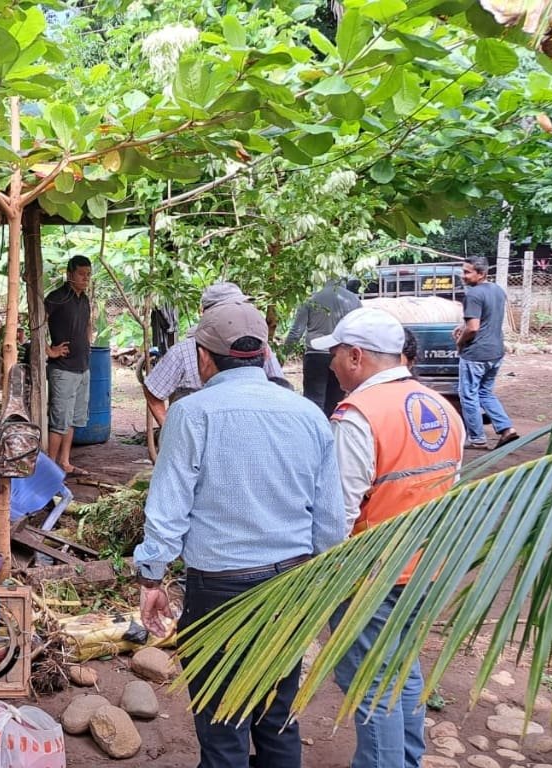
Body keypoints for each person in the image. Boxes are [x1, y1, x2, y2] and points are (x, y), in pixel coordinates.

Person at [135, 301, 345, 768]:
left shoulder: (192, 414)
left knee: (221, 723)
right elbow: (330, 519)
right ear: (264, 352)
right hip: (291, 586)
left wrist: (152, 579)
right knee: (277, 717)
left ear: (204, 357)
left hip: (219, 589)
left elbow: (168, 511)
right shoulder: (308, 415)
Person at [311, 308, 463, 768]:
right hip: (425, 567)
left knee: (370, 685)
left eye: (335, 355)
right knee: (402, 673)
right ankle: (407, 761)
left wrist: (320, 580)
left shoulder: (359, 416)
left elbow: (338, 514)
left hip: (370, 577)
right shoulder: (440, 406)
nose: (331, 365)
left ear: (355, 356)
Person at [142, 282, 286, 426]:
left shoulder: (258, 347)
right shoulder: (183, 352)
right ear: (205, 313)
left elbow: (279, 387)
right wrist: (169, 428)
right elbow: (153, 390)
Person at [453, 256, 519, 450]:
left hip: (476, 354)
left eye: (467, 272)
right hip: (496, 352)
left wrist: (459, 342)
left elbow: (473, 328)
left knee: (468, 395)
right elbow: (487, 317)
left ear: (480, 274)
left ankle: (477, 438)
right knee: (485, 392)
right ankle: (507, 429)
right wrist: (462, 325)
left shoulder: (473, 294)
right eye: (463, 270)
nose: (462, 275)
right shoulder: (497, 290)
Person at [43, 254, 93, 475]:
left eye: (88, 275)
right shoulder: (57, 297)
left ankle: (64, 462)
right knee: (59, 420)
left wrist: (87, 344)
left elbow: (87, 325)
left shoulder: (84, 299)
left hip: (82, 367)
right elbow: (33, 324)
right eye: (81, 274)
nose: (85, 279)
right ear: (69, 273)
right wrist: (49, 350)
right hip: (62, 369)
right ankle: (50, 467)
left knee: (72, 418)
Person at [284, 278, 362, 416]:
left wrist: (283, 355)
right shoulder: (354, 301)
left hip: (315, 355)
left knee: (313, 402)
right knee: (335, 401)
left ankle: (314, 434)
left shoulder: (312, 299)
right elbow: (360, 330)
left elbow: (296, 332)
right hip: (342, 355)